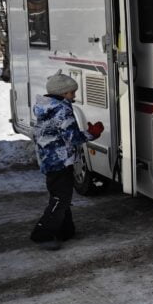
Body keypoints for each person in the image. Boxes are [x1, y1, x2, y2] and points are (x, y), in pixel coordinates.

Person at [30, 71, 104, 251]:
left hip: (50, 159)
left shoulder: (46, 107)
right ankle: (42, 234)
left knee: (62, 196)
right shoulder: (62, 110)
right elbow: (73, 137)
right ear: (62, 93)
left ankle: (65, 229)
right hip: (59, 161)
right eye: (72, 92)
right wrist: (92, 133)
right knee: (60, 198)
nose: (74, 96)